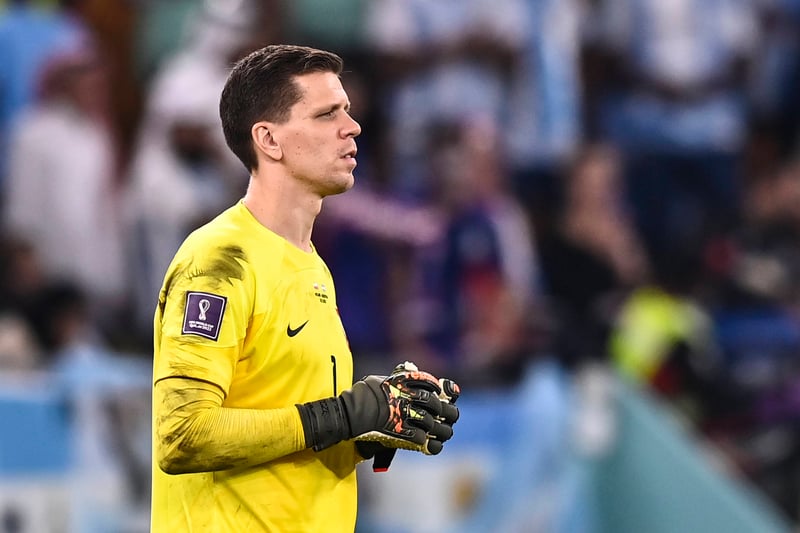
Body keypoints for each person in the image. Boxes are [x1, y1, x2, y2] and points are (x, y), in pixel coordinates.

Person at [150, 44, 461, 532]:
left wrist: (365, 429)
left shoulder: (312, 267)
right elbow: (182, 433)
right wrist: (341, 416)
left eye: (348, 111)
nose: (352, 127)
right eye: (326, 114)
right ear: (269, 140)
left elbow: (293, 431)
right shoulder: (219, 260)